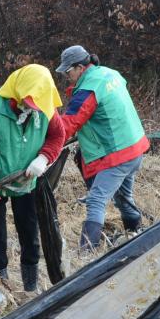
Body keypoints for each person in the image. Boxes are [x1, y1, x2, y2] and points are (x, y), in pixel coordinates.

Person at [0, 64, 66, 293]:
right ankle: (0, 283)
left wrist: (43, 159)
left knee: (29, 231)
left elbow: (58, 135)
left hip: (26, 182)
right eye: (28, 103)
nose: (31, 109)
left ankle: (30, 285)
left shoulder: (45, 109)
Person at [55, 45, 149, 250]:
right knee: (124, 198)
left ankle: (87, 252)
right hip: (135, 147)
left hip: (117, 153)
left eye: (68, 71)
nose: (66, 76)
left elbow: (69, 123)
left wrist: (48, 143)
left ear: (80, 67)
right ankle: (136, 232)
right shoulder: (110, 73)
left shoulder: (89, 88)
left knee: (96, 200)